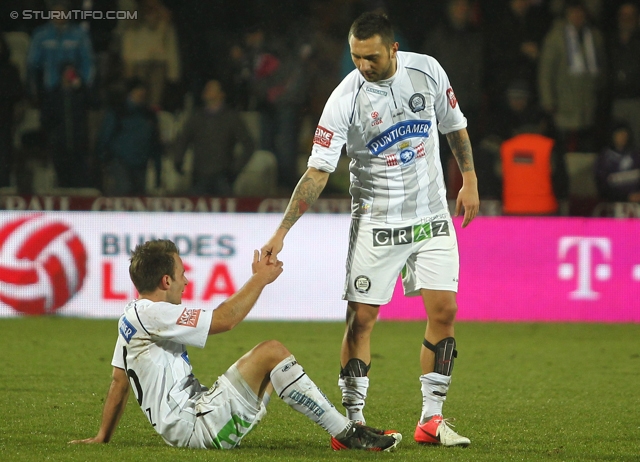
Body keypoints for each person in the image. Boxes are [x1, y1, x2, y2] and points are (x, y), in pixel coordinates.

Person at [261, 12, 479, 447]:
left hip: (431, 215)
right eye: (356, 57)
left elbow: (454, 127)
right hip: (377, 223)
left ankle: (431, 421)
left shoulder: (427, 71)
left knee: (445, 312)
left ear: (393, 49)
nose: (363, 65)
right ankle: (352, 424)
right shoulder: (345, 98)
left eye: (372, 57)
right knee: (361, 321)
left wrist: (470, 181)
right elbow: (318, 172)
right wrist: (281, 231)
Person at [70, 239, 402, 451]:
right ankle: (347, 434)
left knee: (276, 368)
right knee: (272, 351)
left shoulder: (131, 317)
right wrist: (260, 278)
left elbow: (118, 380)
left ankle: (344, 432)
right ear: (166, 281)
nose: (187, 280)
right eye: (182, 274)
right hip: (196, 427)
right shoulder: (154, 313)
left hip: (193, 420)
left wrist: (103, 437)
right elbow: (225, 320)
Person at [174, 79, 255, 196]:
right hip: (199, 175)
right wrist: (178, 160)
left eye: (211, 89)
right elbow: (182, 140)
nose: (207, 92)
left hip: (223, 176)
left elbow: (249, 145)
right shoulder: (196, 118)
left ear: (221, 94)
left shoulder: (231, 118)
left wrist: (235, 169)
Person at [96, 78, 162, 196]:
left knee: (138, 198)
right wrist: (103, 160)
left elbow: (155, 143)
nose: (141, 94)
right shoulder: (118, 112)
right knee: (123, 194)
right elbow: (104, 138)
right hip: (120, 163)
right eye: (138, 90)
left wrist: (158, 170)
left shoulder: (149, 115)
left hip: (141, 164)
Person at [594, 121, 640, 202]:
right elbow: (602, 187)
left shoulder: (635, 156)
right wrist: (625, 197)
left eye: (624, 134)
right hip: (614, 205)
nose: (623, 137)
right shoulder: (604, 158)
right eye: (619, 134)